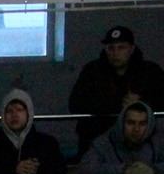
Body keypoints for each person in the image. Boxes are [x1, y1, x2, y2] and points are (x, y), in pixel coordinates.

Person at [68, 26, 164, 160]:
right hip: (97, 138)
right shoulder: (92, 71)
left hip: (141, 142)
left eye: (121, 47)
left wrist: (142, 103)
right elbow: (75, 104)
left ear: (131, 49)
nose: (115, 53)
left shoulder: (150, 71)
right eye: (111, 48)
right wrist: (118, 103)